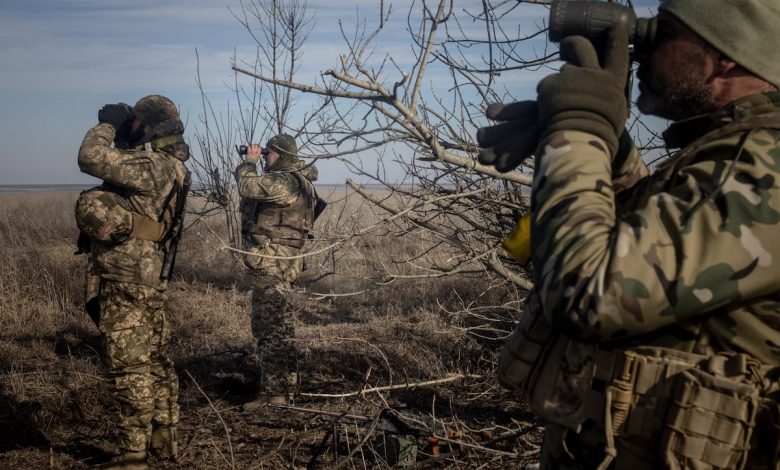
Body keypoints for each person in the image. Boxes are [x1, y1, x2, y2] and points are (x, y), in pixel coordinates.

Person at [478, 0, 780, 468]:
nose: (639, 53)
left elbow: (591, 291)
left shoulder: (765, 162)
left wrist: (579, 129)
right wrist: (611, 152)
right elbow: (657, 251)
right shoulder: (737, 153)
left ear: (727, 54)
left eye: (664, 34)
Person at [75, 95, 190, 469]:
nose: (131, 127)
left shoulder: (153, 165)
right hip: (149, 275)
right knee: (157, 361)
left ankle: (133, 458)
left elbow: (90, 156)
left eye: (137, 123)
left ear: (151, 128)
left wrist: (108, 124)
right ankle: (163, 440)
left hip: (127, 276)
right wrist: (129, 137)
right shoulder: (168, 165)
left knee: (130, 369)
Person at [235, 134, 319, 409]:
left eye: (268, 154)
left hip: (274, 262)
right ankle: (287, 389)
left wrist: (248, 163)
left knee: (268, 328)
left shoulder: (285, 180)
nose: (264, 158)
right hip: (284, 261)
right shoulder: (300, 180)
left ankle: (271, 394)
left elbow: (248, 187)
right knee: (282, 327)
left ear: (280, 155)